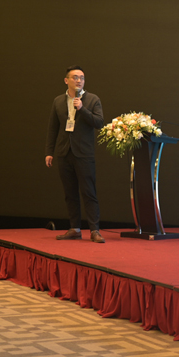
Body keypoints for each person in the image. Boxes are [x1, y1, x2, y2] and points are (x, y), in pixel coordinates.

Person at [45, 66, 106, 243]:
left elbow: (99, 122)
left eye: (82, 78)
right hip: (64, 152)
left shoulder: (92, 99)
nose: (79, 81)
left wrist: (82, 109)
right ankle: (75, 228)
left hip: (84, 153)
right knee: (70, 193)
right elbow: (53, 128)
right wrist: (49, 152)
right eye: (75, 77)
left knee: (88, 192)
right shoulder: (58, 101)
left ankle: (94, 230)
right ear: (66, 80)